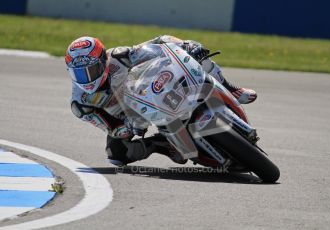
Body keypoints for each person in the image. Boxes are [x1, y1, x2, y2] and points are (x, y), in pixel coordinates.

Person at [65, 35, 257, 166]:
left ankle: (232, 90)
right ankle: (161, 144)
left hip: (148, 91)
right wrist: (129, 127)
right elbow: (111, 128)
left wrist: (185, 46)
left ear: (103, 61)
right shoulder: (80, 104)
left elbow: (159, 44)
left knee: (198, 56)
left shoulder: (118, 56)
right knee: (116, 156)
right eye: (79, 73)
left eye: (91, 70)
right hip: (128, 118)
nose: (87, 78)